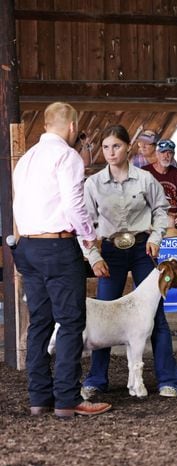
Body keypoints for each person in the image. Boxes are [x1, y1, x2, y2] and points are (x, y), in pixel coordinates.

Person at [12, 102, 112, 417]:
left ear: (45, 125)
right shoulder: (67, 156)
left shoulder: (25, 159)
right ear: (71, 127)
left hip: (28, 245)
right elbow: (73, 204)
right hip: (57, 246)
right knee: (70, 322)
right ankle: (68, 400)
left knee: (40, 322)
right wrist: (88, 237)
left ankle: (39, 399)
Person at [81, 124, 177, 399]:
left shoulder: (146, 179)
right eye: (105, 147)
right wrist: (93, 257)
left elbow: (162, 210)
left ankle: (168, 379)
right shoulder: (93, 184)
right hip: (110, 251)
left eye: (116, 146)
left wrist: (157, 237)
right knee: (102, 313)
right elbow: (86, 224)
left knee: (155, 313)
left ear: (128, 147)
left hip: (142, 248)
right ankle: (96, 379)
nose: (110, 152)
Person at [143, 139, 177, 227]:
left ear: (173, 155)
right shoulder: (145, 172)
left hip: (175, 217)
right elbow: (143, 202)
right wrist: (167, 215)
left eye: (169, 153)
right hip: (154, 216)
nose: (166, 156)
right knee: (170, 221)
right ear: (157, 154)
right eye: (162, 152)